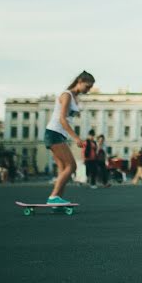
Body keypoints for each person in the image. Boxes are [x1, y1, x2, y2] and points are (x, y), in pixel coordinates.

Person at [44, 71, 94, 205]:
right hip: (54, 133)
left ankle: (57, 200)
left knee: (62, 168)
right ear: (80, 81)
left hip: (58, 134)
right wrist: (76, 138)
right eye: (87, 87)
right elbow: (62, 119)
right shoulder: (67, 95)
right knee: (72, 166)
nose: (88, 90)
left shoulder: (74, 97)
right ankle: (53, 197)